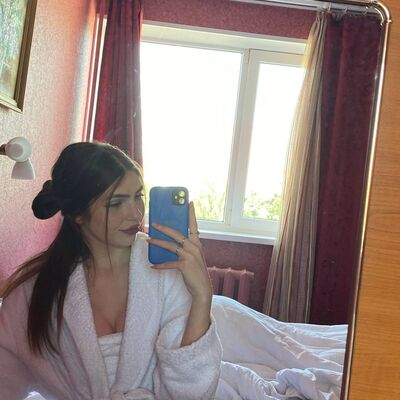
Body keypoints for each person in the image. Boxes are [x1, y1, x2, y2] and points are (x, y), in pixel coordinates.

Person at [0, 141, 222, 400]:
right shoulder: (34, 293)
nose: (135, 213)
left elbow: (192, 393)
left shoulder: (166, 272)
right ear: (78, 215)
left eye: (138, 196)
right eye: (116, 203)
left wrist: (202, 296)